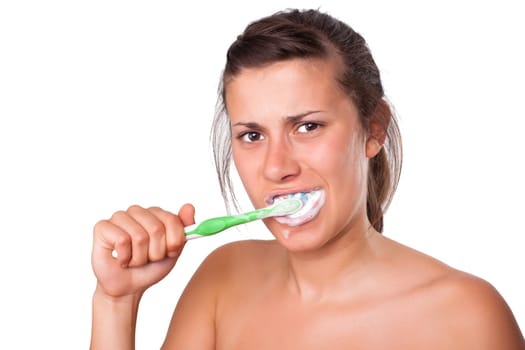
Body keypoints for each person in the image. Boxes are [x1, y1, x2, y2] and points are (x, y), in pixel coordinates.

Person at [90, 8, 524, 349]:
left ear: (373, 129)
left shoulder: (466, 316)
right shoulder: (222, 280)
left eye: (307, 127)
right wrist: (116, 303)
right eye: (253, 135)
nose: (276, 167)